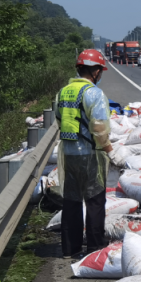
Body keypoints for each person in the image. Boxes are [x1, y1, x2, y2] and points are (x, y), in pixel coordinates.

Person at [55, 49, 113, 258]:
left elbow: (59, 120)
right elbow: (99, 127)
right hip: (90, 153)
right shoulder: (93, 93)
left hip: (69, 152)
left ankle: (71, 248)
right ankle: (95, 247)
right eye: (100, 70)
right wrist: (110, 150)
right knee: (95, 200)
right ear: (95, 70)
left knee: (71, 200)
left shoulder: (63, 92)